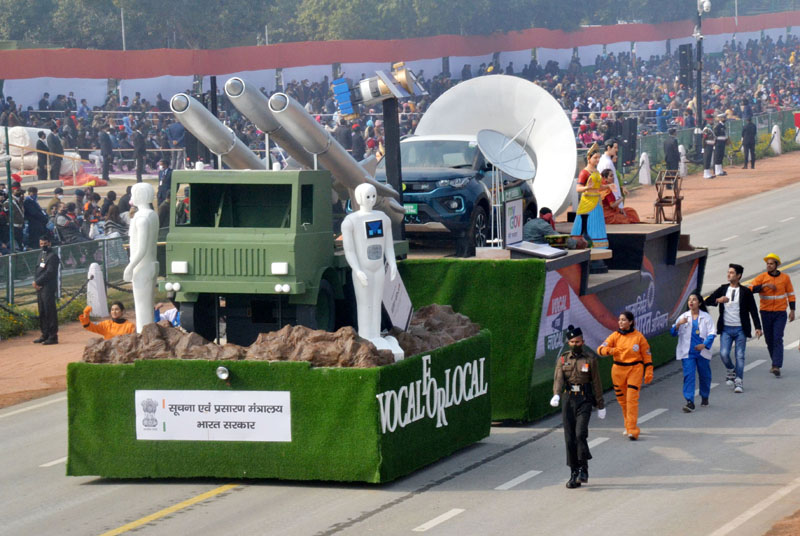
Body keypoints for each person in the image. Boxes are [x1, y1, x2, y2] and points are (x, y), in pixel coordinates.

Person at [550, 325, 605, 489]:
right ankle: (574, 472)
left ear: (583, 341)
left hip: (584, 399)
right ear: (568, 342)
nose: (575, 344)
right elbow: (559, 379)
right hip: (568, 400)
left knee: (580, 434)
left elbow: (596, 382)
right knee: (569, 439)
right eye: (572, 341)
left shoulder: (589, 359)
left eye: (578, 341)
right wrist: (556, 394)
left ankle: (583, 468)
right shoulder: (563, 359)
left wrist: (600, 404)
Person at [704, 264, 762, 393]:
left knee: (740, 355)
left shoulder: (746, 292)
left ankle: (739, 381)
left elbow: (753, 310)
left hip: (740, 329)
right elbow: (707, 301)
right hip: (726, 328)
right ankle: (731, 370)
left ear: (738, 276)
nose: (728, 274)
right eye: (728, 272)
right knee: (724, 353)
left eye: (731, 273)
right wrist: (719, 300)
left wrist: (758, 327)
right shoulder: (723, 289)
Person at [597, 311, 653, 440]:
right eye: (619, 320)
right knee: (622, 401)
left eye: (623, 320)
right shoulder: (615, 336)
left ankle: (633, 430)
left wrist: (648, 370)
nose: (621, 322)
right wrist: (611, 350)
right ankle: (628, 425)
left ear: (631, 322)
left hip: (635, 369)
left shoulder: (638, 337)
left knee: (631, 399)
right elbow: (600, 349)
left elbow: (646, 354)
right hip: (618, 371)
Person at [750, 253, 795, 377]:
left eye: (771, 264)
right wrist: (763, 286)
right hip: (765, 313)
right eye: (767, 264)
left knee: (777, 338)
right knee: (769, 340)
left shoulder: (785, 278)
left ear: (776, 265)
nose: (768, 266)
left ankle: (776, 365)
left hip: (780, 313)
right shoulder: (762, 278)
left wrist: (792, 310)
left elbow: (791, 294)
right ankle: (774, 362)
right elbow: (750, 289)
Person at [671, 292, 716, 412]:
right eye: (689, 300)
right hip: (688, 353)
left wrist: (704, 345)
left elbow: (712, 333)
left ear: (700, 303)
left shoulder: (706, 317)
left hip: (702, 352)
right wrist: (678, 324)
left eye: (694, 300)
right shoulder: (683, 317)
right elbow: (673, 333)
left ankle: (705, 396)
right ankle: (689, 401)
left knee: (705, 376)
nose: (691, 302)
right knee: (689, 376)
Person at [570, 143, 610, 248]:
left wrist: (608, 186)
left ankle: (599, 244)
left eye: (598, 158)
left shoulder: (596, 171)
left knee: (597, 223)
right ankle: (583, 243)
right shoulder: (584, 172)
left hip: (597, 202)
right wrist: (587, 188)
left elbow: (598, 187)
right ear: (589, 158)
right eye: (595, 158)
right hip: (587, 202)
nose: (597, 160)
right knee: (586, 222)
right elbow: (578, 188)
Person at [33, 232, 59, 345]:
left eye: (45, 243)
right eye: (41, 243)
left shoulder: (52, 256)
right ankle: (45, 333)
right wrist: (36, 283)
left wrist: (38, 281)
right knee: (42, 311)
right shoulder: (41, 255)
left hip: (48, 286)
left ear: (49, 243)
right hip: (40, 287)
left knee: (50, 311)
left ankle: (53, 336)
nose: (43, 245)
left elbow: (50, 272)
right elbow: (38, 270)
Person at [597, 138, 625, 207]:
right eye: (615, 147)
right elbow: (610, 183)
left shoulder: (605, 160)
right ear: (609, 148)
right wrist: (617, 199)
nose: (617, 150)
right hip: (611, 199)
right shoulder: (607, 162)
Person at [713, 113, 728, 177]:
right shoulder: (718, 126)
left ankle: (720, 170)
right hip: (718, 143)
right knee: (717, 157)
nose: (725, 119)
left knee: (721, 156)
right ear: (721, 119)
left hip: (722, 142)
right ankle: (717, 171)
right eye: (724, 118)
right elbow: (715, 135)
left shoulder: (723, 126)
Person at [702, 113, 716, 179]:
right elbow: (704, 138)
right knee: (706, 159)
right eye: (711, 120)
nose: (712, 121)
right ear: (708, 120)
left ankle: (708, 172)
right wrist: (703, 147)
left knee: (709, 159)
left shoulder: (710, 128)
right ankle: (705, 173)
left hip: (710, 145)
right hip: (707, 145)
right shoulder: (706, 128)